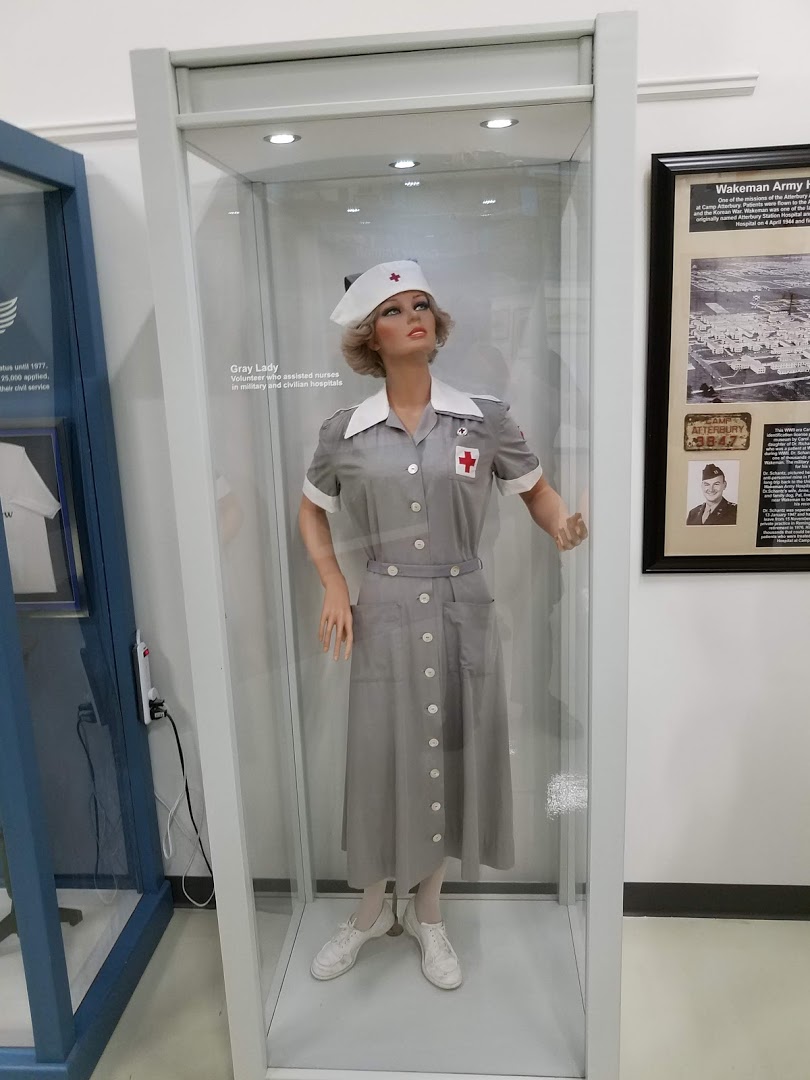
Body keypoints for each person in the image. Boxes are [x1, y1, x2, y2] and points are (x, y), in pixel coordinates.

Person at [298, 260, 587, 991]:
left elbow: (536, 491)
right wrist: (333, 582)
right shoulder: (345, 433)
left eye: (421, 304)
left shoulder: (484, 419)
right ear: (371, 337)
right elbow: (310, 511)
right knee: (379, 756)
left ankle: (429, 913)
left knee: (450, 752)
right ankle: (369, 911)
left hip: (464, 606)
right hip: (384, 609)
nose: (414, 317)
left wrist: (560, 521)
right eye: (394, 311)